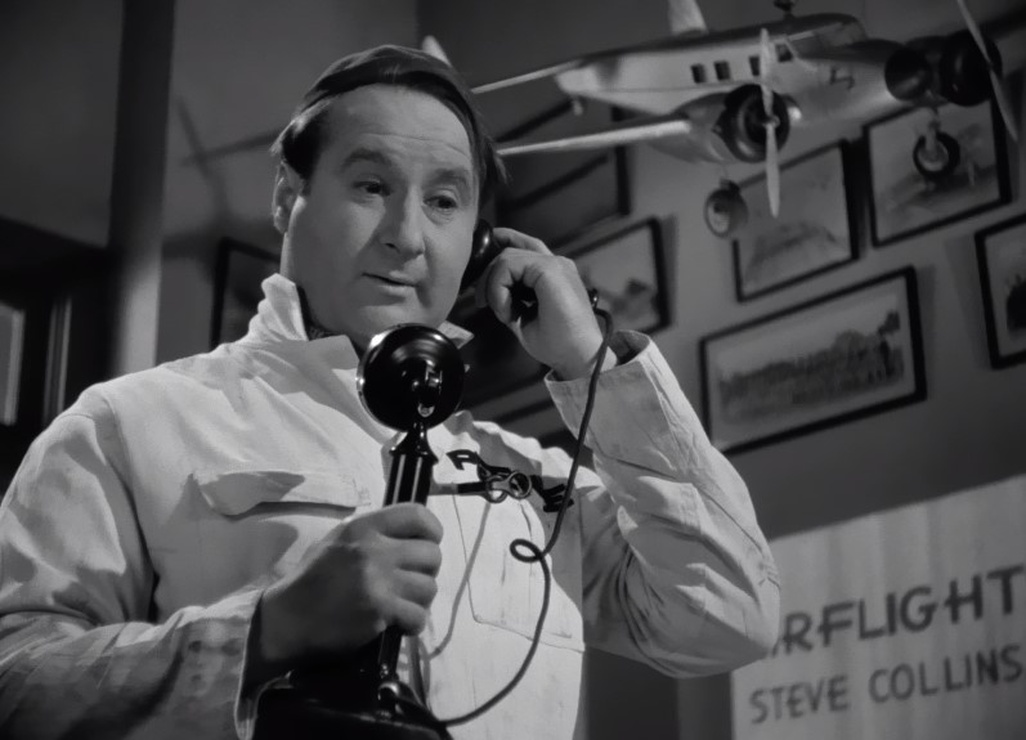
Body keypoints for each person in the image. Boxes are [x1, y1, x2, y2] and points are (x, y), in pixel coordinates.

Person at [0, 45, 780, 739]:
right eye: (372, 185)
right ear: (287, 198)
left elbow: (732, 615)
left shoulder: (537, 484)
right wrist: (263, 633)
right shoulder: (128, 424)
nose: (406, 235)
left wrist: (591, 362)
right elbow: (14, 688)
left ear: (478, 243)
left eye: (444, 201)